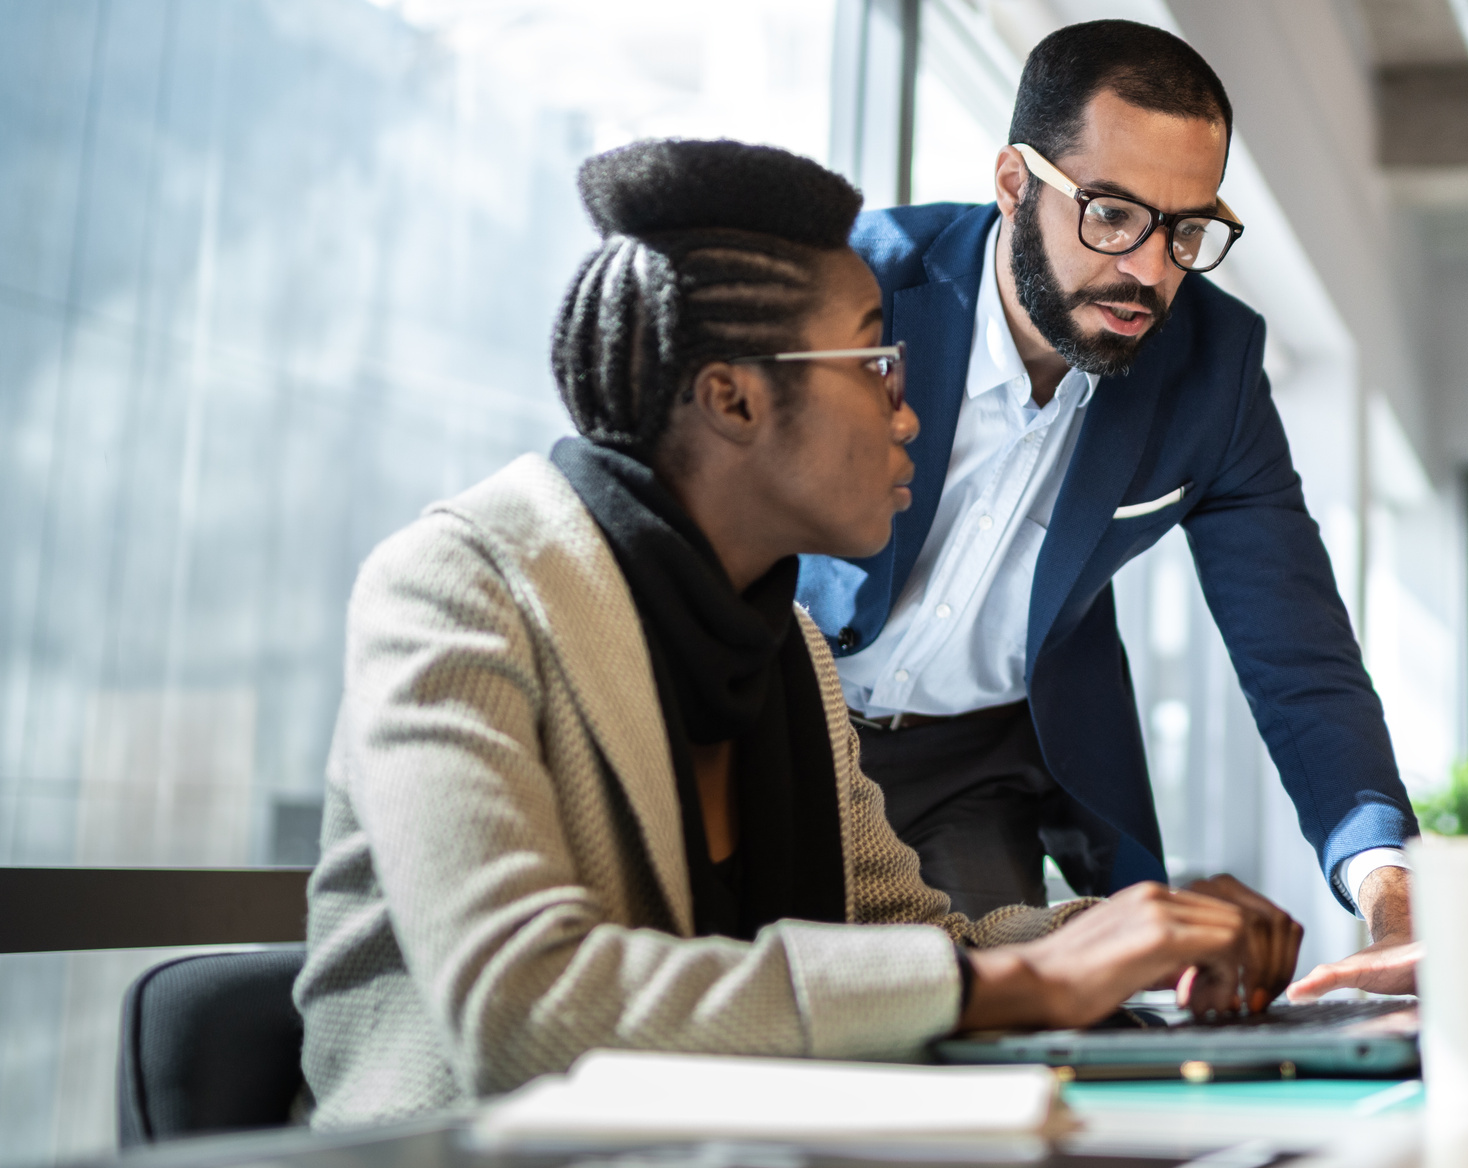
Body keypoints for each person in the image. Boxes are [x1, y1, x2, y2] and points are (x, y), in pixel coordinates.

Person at [296, 139, 1304, 1129]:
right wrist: (1022, 974)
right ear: (733, 396)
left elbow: (919, 941)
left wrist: (1139, 932)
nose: (909, 417)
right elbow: (528, 1009)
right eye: (876, 360)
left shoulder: (786, 646)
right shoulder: (460, 586)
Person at [798, 20, 1420, 997]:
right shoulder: (859, 284)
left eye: (1184, 228)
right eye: (1112, 214)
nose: (1149, 269)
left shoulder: (1210, 371)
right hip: (792, 719)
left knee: (1009, 1042)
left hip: (979, 765)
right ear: (1014, 182)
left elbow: (1298, 655)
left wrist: (1392, 895)